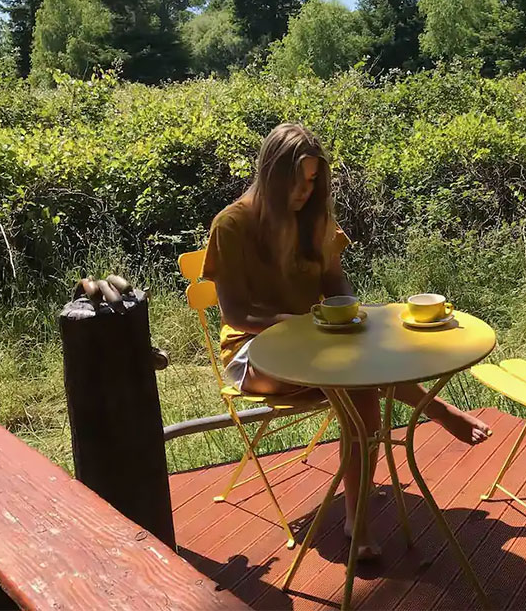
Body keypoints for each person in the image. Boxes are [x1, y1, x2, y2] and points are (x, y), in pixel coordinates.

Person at [202, 122, 490, 558]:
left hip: (319, 346)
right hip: (255, 353)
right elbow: (235, 314)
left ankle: (357, 521)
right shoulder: (232, 224)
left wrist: (347, 314)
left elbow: (338, 288)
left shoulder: (315, 222)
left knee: (361, 387)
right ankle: (439, 410)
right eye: (297, 181)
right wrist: (300, 324)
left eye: (313, 181)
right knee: (357, 382)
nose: (304, 191)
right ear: (273, 174)